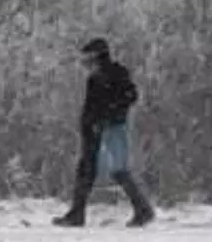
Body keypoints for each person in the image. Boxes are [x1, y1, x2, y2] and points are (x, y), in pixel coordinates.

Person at [54, 37, 156, 228]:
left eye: (87, 60)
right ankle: (77, 214)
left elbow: (130, 96)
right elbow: (90, 106)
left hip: (113, 127)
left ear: (98, 58)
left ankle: (143, 209)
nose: (85, 65)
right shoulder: (94, 79)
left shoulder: (117, 74)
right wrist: (87, 125)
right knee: (86, 169)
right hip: (94, 129)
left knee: (119, 169)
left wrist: (110, 113)